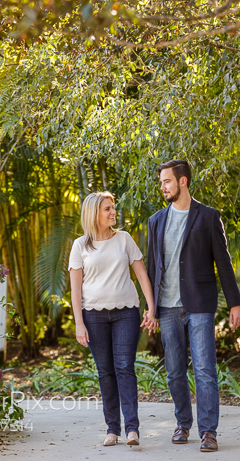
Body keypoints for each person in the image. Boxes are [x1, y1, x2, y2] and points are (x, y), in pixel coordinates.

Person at [146, 160, 240, 453]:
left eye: (167, 181)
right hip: (166, 306)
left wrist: (235, 302)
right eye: (162, 182)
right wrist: (150, 308)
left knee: (204, 369)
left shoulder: (208, 217)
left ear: (183, 181)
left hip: (200, 303)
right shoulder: (155, 221)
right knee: (175, 371)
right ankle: (183, 424)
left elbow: (223, 263)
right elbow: (153, 268)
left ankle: (209, 432)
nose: (163, 187)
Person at [69, 191, 158, 447]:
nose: (112, 212)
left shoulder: (124, 239)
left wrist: (151, 308)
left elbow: (142, 276)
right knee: (105, 372)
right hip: (93, 316)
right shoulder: (80, 245)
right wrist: (78, 323)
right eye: (107, 208)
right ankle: (112, 429)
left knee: (124, 368)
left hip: (125, 313)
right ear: (94, 213)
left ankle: (132, 429)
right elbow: (75, 289)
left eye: (113, 208)